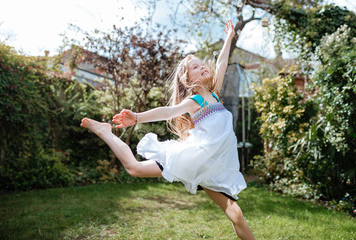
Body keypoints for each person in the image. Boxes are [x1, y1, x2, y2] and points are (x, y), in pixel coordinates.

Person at [80, 20, 255, 240]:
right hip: (195, 159)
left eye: (203, 65)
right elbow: (167, 112)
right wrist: (136, 118)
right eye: (195, 67)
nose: (203, 67)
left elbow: (221, 63)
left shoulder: (215, 95)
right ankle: (105, 131)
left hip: (213, 168)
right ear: (187, 79)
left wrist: (229, 38)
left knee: (236, 214)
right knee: (134, 168)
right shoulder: (197, 100)